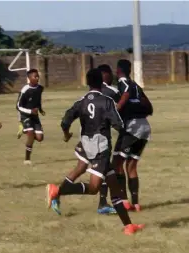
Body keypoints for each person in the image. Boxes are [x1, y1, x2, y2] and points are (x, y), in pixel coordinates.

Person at [45, 68, 144, 235]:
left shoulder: (81, 101)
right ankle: (58, 190)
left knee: (115, 189)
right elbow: (118, 124)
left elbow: (65, 120)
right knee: (94, 188)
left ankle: (128, 226)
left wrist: (66, 134)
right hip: (101, 148)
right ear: (102, 82)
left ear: (88, 83)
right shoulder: (106, 101)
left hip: (86, 143)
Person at [69, 64, 120, 215]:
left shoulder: (86, 96)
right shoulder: (111, 92)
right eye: (110, 74)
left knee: (82, 168)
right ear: (105, 75)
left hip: (85, 136)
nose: (112, 77)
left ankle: (104, 203)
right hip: (98, 139)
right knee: (100, 171)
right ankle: (58, 191)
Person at [113, 59, 153, 212]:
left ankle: (124, 201)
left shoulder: (123, 83)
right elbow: (150, 108)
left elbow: (125, 96)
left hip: (132, 127)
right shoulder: (136, 85)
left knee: (116, 163)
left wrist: (116, 111)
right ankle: (136, 204)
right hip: (144, 127)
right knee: (131, 165)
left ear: (118, 71)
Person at [16, 69, 45, 165]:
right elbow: (18, 106)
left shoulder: (40, 88)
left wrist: (40, 109)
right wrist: (30, 111)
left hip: (35, 115)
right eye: (35, 76)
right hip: (24, 115)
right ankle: (27, 159)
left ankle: (25, 130)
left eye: (37, 76)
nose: (37, 78)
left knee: (40, 138)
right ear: (29, 78)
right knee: (31, 134)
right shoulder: (25, 90)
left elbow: (38, 100)